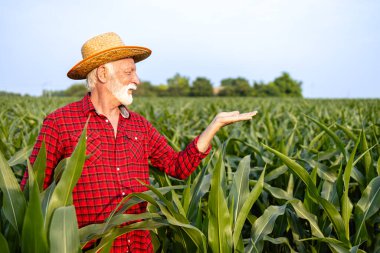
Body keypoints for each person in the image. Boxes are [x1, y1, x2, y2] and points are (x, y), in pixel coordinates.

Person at [21, 32, 258, 252]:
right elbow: (30, 193)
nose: (137, 80)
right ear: (103, 74)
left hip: (138, 246)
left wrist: (213, 126)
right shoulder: (60, 122)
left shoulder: (139, 125)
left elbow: (178, 167)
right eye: (129, 72)